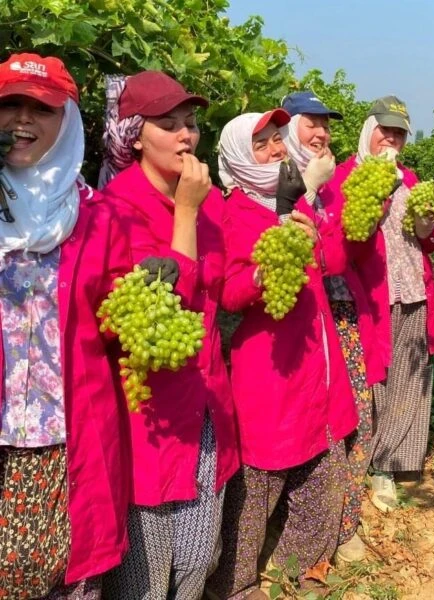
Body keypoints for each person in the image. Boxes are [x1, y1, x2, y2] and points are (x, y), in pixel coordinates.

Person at [98, 71, 239, 599]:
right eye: (168, 124)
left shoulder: (210, 203)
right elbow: (146, 329)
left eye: (191, 123)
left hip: (203, 400)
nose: (185, 135)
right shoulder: (113, 211)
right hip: (148, 416)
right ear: (135, 135)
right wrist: (184, 214)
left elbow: (221, 291)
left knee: (200, 557)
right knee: (147, 573)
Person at [206, 109, 358, 599]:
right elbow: (229, 293)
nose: (275, 149)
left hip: (314, 352)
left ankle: (304, 567)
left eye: (277, 138)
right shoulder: (231, 210)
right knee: (257, 483)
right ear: (235, 156)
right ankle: (236, 582)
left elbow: (332, 259)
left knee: (322, 464)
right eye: (262, 144)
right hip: (267, 364)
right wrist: (270, 265)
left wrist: (309, 206)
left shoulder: (290, 195)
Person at [0, 53, 132, 599]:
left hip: (60, 432)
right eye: (10, 105)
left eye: (43, 109)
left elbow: (117, 331)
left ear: (69, 121)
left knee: (60, 571)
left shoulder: (97, 217)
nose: (23, 121)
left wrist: (146, 295)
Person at [280, 91, 385, 562]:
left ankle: (343, 525)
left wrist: (364, 219)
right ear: (288, 127)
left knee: (354, 416)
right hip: (295, 325)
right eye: (311, 123)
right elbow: (288, 259)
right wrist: (304, 190)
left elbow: (337, 259)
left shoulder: (337, 182)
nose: (321, 132)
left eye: (325, 124)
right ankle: (296, 533)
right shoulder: (268, 177)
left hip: (337, 316)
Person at [328, 96, 434, 513]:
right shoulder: (344, 176)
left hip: (412, 289)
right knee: (371, 379)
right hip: (369, 295)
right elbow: (345, 239)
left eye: (399, 133)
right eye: (385, 130)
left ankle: (388, 465)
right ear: (368, 131)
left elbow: (426, 238)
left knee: (410, 376)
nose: (391, 139)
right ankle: (360, 459)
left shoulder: (410, 178)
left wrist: (429, 227)